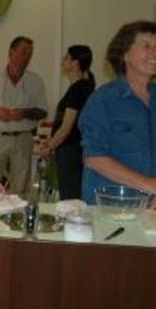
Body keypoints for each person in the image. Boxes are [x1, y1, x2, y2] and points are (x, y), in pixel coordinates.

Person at [78, 21, 156, 208]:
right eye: (147, 45)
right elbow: (94, 158)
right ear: (124, 54)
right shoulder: (103, 100)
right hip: (110, 208)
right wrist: (154, 186)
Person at [0, 36, 47, 196]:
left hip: (23, 138)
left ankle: (17, 217)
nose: (27, 56)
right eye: (23, 51)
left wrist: (24, 113)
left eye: (30, 53)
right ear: (11, 52)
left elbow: (43, 111)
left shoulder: (35, 81)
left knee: (21, 186)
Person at [39, 45, 95, 199]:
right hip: (69, 149)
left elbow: (66, 127)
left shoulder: (79, 89)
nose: (62, 61)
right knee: (69, 191)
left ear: (75, 63)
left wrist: (49, 146)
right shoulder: (80, 87)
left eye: (66, 58)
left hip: (71, 151)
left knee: (70, 194)